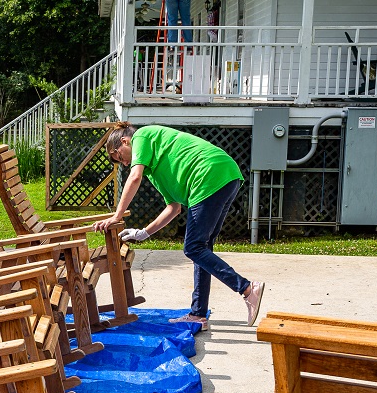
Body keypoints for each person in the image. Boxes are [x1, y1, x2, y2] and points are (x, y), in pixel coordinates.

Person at [95, 123, 265, 329]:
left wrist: (117, 216)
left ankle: (247, 288)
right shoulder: (155, 171)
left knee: (193, 247)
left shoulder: (141, 136)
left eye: (118, 156)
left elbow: (134, 177)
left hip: (208, 175)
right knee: (201, 249)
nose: (123, 163)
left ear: (124, 141)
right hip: (226, 175)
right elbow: (173, 208)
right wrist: (143, 233)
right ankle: (198, 314)